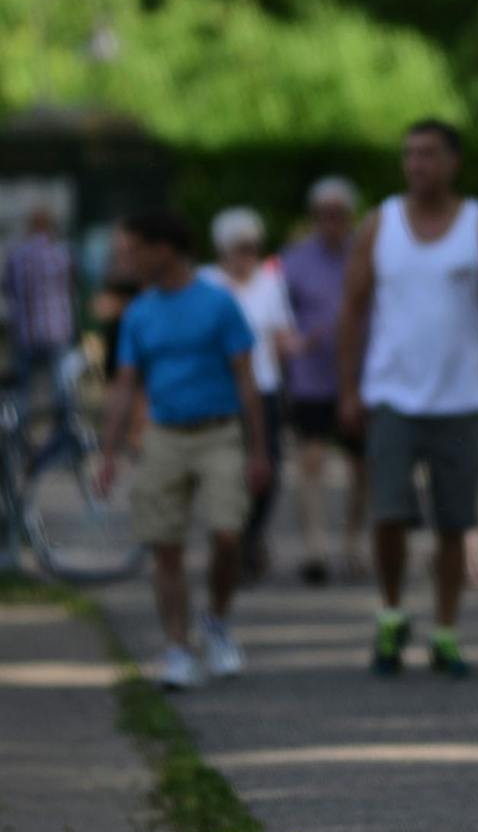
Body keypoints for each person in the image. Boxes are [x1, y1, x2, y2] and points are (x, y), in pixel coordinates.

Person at [338, 121, 478, 678]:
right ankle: (391, 612)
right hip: (392, 393)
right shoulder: (380, 224)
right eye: (409, 154)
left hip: (460, 396)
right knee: (388, 513)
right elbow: (353, 307)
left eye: (429, 154)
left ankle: (445, 628)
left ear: (452, 162)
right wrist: (348, 387)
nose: (417, 164)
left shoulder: (477, 226)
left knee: (454, 522)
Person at [95, 209, 272, 690]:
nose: (126, 261)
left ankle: (215, 621)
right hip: (165, 435)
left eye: (133, 250)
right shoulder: (138, 313)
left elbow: (247, 379)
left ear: (163, 249)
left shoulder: (218, 304)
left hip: (218, 432)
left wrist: (259, 449)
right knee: (165, 547)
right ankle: (177, 646)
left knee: (228, 534)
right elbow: (124, 385)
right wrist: (108, 454)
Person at [202, 207, 298, 582]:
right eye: (241, 248)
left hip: (264, 387)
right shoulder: (207, 282)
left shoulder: (270, 282)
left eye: (253, 247)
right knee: (228, 470)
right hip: (222, 391)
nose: (248, 255)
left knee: (267, 467)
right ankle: (233, 538)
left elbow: (280, 334)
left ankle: (251, 533)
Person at [281, 177, 367, 585]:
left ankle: (353, 543)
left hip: (362, 377)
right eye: (324, 214)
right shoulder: (294, 261)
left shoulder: (365, 256)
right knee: (311, 460)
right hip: (312, 379)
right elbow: (278, 317)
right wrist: (294, 342)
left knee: (362, 466)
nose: (332, 221)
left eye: (339, 214)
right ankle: (315, 546)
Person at [5, 204, 78, 433]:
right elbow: (73, 285)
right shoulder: (62, 253)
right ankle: (65, 436)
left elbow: (8, 288)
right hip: (57, 329)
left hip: (26, 331)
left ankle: (20, 440)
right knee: (62, 386)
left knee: (24, 391)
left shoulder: (17, 256)